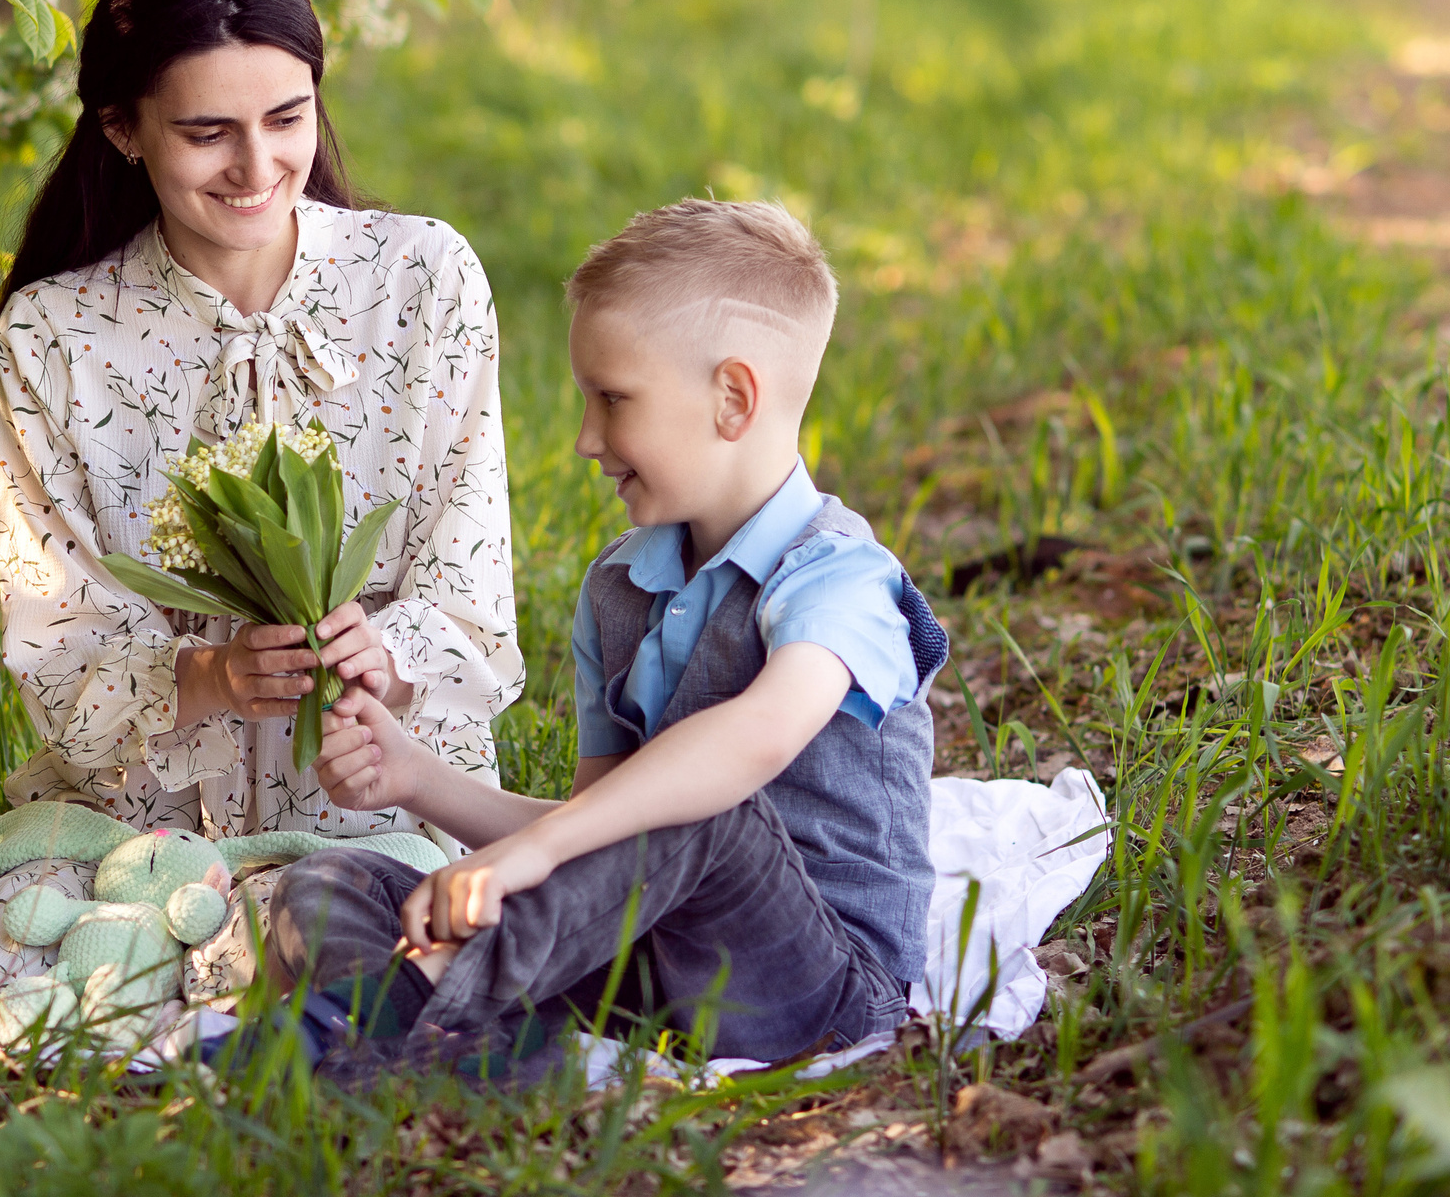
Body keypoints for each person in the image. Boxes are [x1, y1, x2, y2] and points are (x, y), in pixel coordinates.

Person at [0, 0, 520, 1037]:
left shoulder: (422, 276)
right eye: (205, 133)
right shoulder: (55, 334)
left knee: (383, 939)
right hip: (153, 819)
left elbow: (471, 579)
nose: (256, 167)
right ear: (122, 130)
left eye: (286, 119)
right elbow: (60, 638)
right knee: (47, 958)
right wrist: (214, 675)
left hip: (389, 792)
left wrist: (386, 652)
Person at [260, 197, 949, 1079]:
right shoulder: (622, 587)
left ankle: (378, 1036)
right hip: (645, 968)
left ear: (733, 397)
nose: (587, 439)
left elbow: (750, 741)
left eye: (612, 400)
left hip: (816, 988)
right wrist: (416, 778)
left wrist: (531, 855)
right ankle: (445, 1049)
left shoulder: (842, 577)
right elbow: (600, 832)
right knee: (332, 880)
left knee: (706, 811)